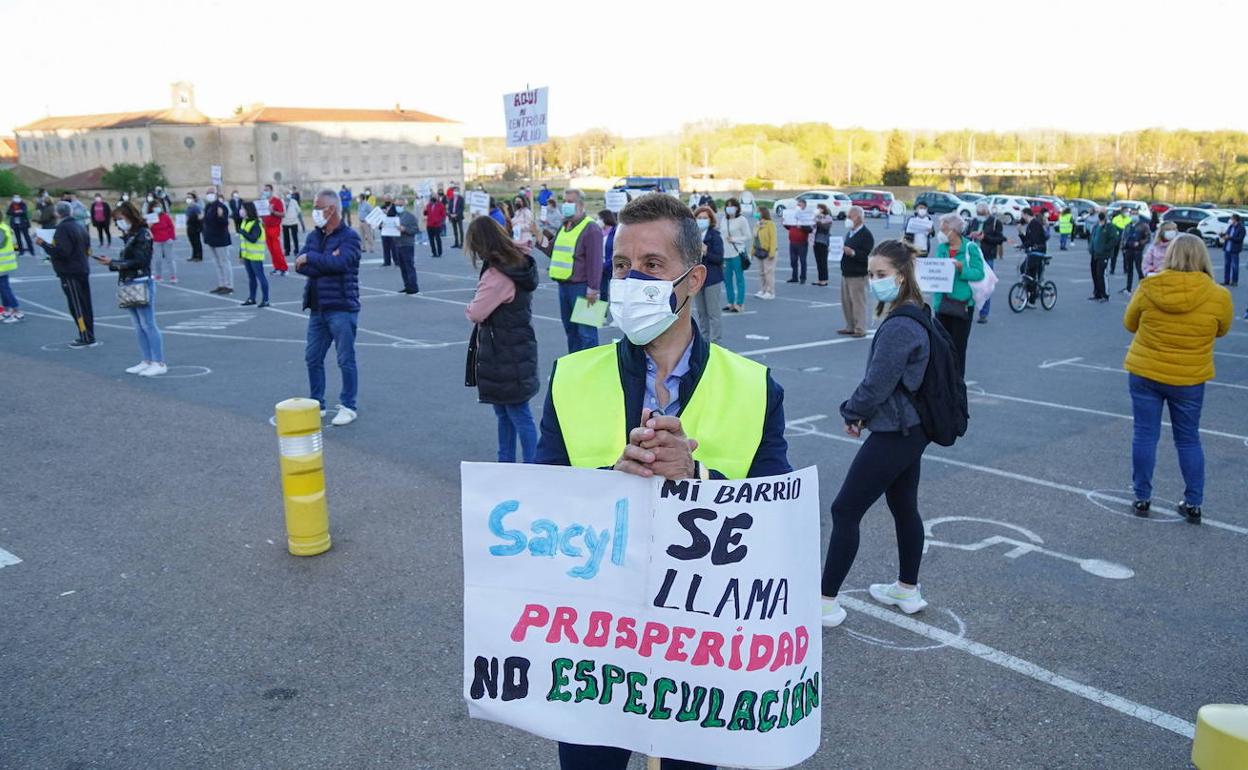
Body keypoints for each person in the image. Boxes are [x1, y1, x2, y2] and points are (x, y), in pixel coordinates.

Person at [535, 192, 791, 770]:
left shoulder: (754, 386)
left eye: (652, 266)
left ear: (693, 279)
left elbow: (780, 518)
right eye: (622, 265)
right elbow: (541, 499)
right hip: (594, 641)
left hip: (699, 647)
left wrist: (695, 475)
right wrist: (613, 480)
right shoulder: (571, 377)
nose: (631, 280)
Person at [820, 239, 933, 628]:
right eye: (870, 274)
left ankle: (825, 602)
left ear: (902, 275)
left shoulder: (901, 323)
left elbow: (878, 383)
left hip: (897, 431)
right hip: (910, 428)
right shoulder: (916, 311)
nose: (873, 281)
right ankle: (907, 588)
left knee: (845, 509)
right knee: (904, 506)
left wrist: (853, 413)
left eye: (881, 275)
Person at [1123, 234, 1232, 523]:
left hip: (1146, 371)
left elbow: (1129, 323)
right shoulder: (1218, 295)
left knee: (1145, 435)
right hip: (1189, 376)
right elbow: (1221, 330)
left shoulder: (1149, 286)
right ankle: (1193, 502)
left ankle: (1142, 497)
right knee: (1187, 440)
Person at [464, 216, 540, 463]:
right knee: (509, 412)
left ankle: (530, 464)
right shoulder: (517, 261)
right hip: (516, 346)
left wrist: (470, 306)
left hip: (503, 352)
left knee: (515, 413)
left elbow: (476, 312)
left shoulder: (498, 274)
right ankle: (510, 463)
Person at [294, 190, 362, 427]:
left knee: (345, 359)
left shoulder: (350, 237)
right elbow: (300, 265)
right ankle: (317, 403)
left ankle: (348, 406)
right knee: (312, 358)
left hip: (342, 307)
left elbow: (340, 263)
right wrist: (320, 260)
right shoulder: (314, 236)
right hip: (317, 308)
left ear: (331, 209)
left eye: (318, 207)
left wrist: (312, 258)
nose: (314, 212)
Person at [97, 203, 166, 376]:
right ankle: (146, 360)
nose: (119, 222)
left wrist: (114, 263)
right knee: (138, 325)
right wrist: (113, 263)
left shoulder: (143, 234)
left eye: (120, 218)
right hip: (129, 280)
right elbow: (130, 260)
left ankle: (159, 361)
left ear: (130, 216)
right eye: (116, 220)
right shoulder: (130, 235)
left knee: (148, 323)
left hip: (141, 280)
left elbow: (141, 261)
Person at [536, 189, 603, 354]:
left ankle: (590, 370)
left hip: (583, 288)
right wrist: (537, 234)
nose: (566, 205)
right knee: (571, 332)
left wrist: (593, 289)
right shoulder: (564, 226)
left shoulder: (591, 228)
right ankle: (574, 369)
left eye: (570, 201)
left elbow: (595, 262)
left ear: (581, 205)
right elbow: (552, 250)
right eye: (565, 201)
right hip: (564, 287)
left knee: (587, 334)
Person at [930, 213, 985, 377]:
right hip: (942, 303)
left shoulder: (970, 248)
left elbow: (979, 273)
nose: (941, 231)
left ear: (953, 230)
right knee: (940, 345)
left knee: (958, 347)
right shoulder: (942, 248)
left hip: (962, 305)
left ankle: (956, 381)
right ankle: (942, 380)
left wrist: (962, 269)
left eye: (944, 228)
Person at [35, 201, 96, 347]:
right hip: (82, 268)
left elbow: (62, 252)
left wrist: (44, 244)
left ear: (57, 213)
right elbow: (88, 248)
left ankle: (85, 335)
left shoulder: (63, 228)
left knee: (76, 306)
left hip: (70, 272)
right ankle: (89, 333)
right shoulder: (79, 226)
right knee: (85, 304)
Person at [839, 205, 875, 337]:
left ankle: (860, 328)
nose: (848, 219)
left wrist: (853, 253)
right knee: (846, 301)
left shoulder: (866, 235)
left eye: (850, 216)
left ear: (859, 218)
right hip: (846, 272)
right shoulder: (850, 232)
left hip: (858, 274)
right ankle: (850, 326)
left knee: (858, 302)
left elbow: (866, 256)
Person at [966, 202, 1005, 323]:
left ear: (987, 212)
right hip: (973, 255)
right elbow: (965, 234)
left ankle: (984, 313)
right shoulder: (974, 221)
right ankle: (968, 309)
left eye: (982, 214)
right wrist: (970, 235)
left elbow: (1000, 239)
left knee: (986, 285)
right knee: (970, 283)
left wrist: (985, 238)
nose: (980, 216)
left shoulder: (995, 223)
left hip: (987, 255)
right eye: (978, 214)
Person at [691, 205, 725, 344]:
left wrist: (706, 252)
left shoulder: (715, 236)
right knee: (701, 313)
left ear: (710, 220)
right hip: (697, 280)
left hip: (712, 279)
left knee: (713, 314)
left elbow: (719, 258)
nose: (702, 220)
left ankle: (716, 343)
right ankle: (704, 342)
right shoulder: (693, 236)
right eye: (699, 218)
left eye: (705, 218)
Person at [237, 202, 270, 307]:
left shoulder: (256, 223)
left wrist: (243, 232)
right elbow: (243, 242)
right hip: (247, 255)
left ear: (248, 210)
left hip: (255, 256)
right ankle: (252, 298)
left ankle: (266, 299)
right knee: (251, 278)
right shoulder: (244, 222)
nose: (241, 211)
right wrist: (241, 255)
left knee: (260, 277)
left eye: (243, 209)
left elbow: (253, 238)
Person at [720, 197, 750, 311]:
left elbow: (747, 236)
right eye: (727, 206)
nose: (729, 208)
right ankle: (730, 302)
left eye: (732, 206)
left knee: (739, 279)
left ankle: (740, 303)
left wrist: (735, 239)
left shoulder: (742, 220)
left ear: (737, 208)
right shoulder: (724, 219)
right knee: (727, 280)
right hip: (725, 254)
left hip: (737, 253)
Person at [202, 188, 234, 295]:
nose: (209, 195)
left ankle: (229, 285)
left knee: (224, 262)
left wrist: (220, 216)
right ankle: (221, 284)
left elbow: (224, 223)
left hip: (221, 238)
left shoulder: (221, 207)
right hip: (211, 238)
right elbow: (206, 222)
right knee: (217, 263)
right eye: (208, 193)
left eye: (211, 193)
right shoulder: (208, 207)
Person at [1018, 208, 1048, 307]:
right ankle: (1031, 295)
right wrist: (1021, 233)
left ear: (1026, 214)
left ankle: (1032, 295)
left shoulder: (1034, 224)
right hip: (1033, 252)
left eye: (1022, 215)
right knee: (1029, 273)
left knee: (1026, 270)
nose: (1021, 217)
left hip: (1038, 252)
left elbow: (1033, 240)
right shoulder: (1030, 225)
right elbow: (1027, 240)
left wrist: (1024, 245)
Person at [0, 209, 24, 322]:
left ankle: (16, 311)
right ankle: (7, 310)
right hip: (5, 263)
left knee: (5, 288)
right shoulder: (5, 227)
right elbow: (14, 244)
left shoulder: (1, 229)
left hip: (2, 264)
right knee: (3, 287)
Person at [260, 184, 289, 276]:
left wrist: (273, 212)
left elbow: (283, 214)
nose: (265, 191)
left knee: (277, 249)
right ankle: (276, 267)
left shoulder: (277, 201)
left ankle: (284, 268)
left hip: (274, 227)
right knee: (271, 249)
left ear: (271, 191)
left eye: (267, 190)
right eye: (264, 190)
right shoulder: (263, 202)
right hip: (266, 227)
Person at [394, 197, 420, 294]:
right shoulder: (394, 216)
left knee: (409, 266)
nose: (398, 207)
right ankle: (407, 285)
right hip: (398, 244)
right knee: (403, 267)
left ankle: (413, 286)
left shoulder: (410, 216)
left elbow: (415, 229)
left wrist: (405, 229)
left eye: (400, 205)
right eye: (396, 205)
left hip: (407, 244)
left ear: (404, 205)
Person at [1120, 215, 1151, 294]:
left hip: (1138, 251)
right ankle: (1128, 288)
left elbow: (1148, 238)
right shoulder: (1128, 225)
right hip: (1128, 250)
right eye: (1132, 213)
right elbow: (1124, 237)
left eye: (1135, 213)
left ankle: (1143, 288)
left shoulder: (1143, 226)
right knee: (1129, 270)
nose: (1133, 215)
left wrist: (1140, 243)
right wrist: (1123, 246)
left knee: (1139, 269)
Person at [148, 199, 177, 284]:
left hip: (167, 240)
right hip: (156, 240)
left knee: (170, 258)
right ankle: (158, 275)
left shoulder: (165, 216)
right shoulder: (150, 217)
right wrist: (149, 225)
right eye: (155, 206)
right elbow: (147, 230)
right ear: (152, 208)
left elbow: (171, 227)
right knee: (158, 259)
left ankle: (173, 276)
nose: (157, 208)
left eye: (159, 206)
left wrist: (172, 237)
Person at [1088, 212, 1114, 302]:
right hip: (1094, 254)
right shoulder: (1096, 226)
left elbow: (1114, 239)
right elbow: (1092, 237)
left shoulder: (1109, 227)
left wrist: (1105, 248)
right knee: (1094, 273)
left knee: (1101, 274)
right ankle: (1097, 293)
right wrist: (1090, 248)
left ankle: (1104, 294)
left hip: (1103, 254)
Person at [753, 205, 778, 300]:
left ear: (763, 213)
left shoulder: (770, 224)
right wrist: (752, 252)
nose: (756, 213)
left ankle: (770, 291)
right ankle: (763, 289)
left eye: (758, 212)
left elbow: (773, 239)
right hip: (759, 250)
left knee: (768, 272)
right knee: (761, 272)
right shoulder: (757, 224)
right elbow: (755, 238)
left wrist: (772, 252)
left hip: (768, 251)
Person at [785, 199, 812, 283]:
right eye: (798, 205)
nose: (798, 206)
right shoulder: (793, 214)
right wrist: (785, 224)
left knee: (802, 260)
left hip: (802, 242)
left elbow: (810, 229)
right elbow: (790, 227)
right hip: (793, 241)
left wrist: (802, 227)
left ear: (804, 206)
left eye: (800, 205)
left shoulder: (807, 215)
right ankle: (794, 277)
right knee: (793, 261)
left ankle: (803, 277)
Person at [811, 203, 835, 287]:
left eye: (819, 208)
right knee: (818, 261)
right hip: (815, 240)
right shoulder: (816, 217)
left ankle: (824, 280)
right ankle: (820, 279)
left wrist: (818, 222)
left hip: (823, 241)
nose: (818, 210)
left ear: (823, 209)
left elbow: (826, 229)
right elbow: (811, 227)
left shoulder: (828, 217)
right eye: (817, 208)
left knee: (823, 261)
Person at [595, 209, 616, 304]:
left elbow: (615, 251)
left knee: (615, 292)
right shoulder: (597, 231)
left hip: (611, 266)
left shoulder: (615, 232)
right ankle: (603, 316)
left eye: (599, 218)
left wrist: (606, 264)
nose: (597, 220)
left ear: (605, 219)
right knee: (602, 292)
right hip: (600, 265)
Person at [1218, 213, 1244, 287]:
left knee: (1235, 266)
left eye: (1231, 219)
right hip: (1227, 249)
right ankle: (1226, 281)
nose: (1230, 220)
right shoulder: (1230, 226)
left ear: (1235, 220)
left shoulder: (1241, 228)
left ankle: (1234, 281)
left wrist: (1229, 237)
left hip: (1235, 250)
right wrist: (1222, 235)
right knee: (1227, 265)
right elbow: (1227, 234)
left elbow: (1239, 239)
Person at [282, 189, 304, 256]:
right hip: (285, 222)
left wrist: (297, 218)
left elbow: (299, 211)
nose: (287, 195)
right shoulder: (281, 202)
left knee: (295, 237)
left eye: (288, 193)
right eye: (285, 194)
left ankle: (296, 250)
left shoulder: (294, 201)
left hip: (294, 222)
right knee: (286, 238)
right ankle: (287, 251)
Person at [1110, 208, 1132, 274]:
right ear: (1121, 212)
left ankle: (1126, 269)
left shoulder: (1129, 219)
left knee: (1125, 255)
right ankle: (1112, 269)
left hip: (1125, 240)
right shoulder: (1115, 219)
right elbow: (1112, 228)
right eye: (1125, 211)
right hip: (1117, 239)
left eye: (1127, 211)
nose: (1127, 213)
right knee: (1114, 255)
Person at [424, 193, 446, 258]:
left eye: (435, 196)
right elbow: (425, 214)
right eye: (433, 196)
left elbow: (443, 215)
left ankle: (439, 252)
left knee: (438, 239)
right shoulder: (428, 205)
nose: (434, 197)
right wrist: (424, 210)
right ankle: (434, 253)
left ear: (438, 198)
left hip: (437, 225)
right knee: (431, 240)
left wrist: (439, 221)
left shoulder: (441, 205)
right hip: (429, 225)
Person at [379, 197, 398, 267]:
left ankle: (396, 260)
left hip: (392, 230)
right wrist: (380, 225)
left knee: (394, 246)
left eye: (388, 199)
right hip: (384, 230)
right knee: (385, 246)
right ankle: (387, 261)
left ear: (391, 200)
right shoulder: (382, 207)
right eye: (385, 199)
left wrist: (387, 212)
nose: (386, 201)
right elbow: (379, 217)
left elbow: (395, 216)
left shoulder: (395, 208)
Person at [185, 192, 204, 262]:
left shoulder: (196, 207)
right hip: (189, 226)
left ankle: (199, 256)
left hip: (195, 226)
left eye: (190, 197)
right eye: (187, 197)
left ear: (193, 199)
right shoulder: (188, 207)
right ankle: (194, 255)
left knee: (197, 241)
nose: (188, 199)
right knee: (192, 242)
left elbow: (200, 216)